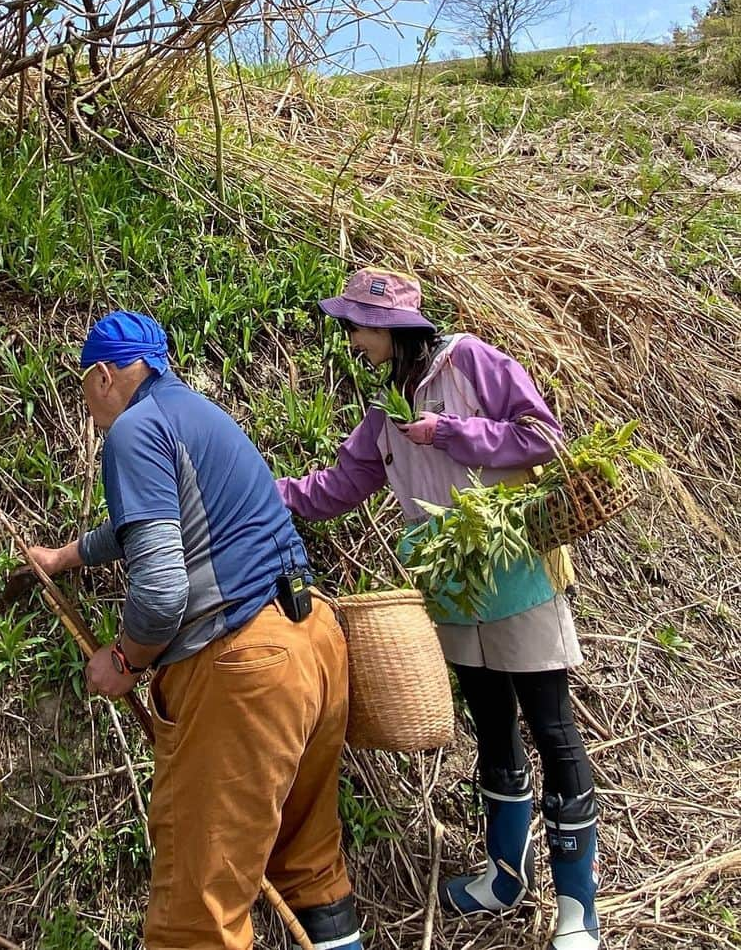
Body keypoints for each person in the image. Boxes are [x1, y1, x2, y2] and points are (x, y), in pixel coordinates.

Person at [276, 269, 600, 950]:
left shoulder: (470, 361)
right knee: (491, 724)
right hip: (453, 582)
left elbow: (543, 436)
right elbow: (334, 488)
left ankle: (578, 913)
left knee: (550, 723)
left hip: (515, 570)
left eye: (357, 327)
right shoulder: (383, 411)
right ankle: (504, 876)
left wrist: (451, 433)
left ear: (390, 329)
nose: (351, 340)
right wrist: (251, 490)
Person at [30, 311, 365, 950]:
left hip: (244, 669)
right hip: (314, 641)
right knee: (310, 864)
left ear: (102, 376)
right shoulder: (197, 415)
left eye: (83, 387)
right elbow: (160, 523)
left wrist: (124, 662)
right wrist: (69, 556)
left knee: (197, 914)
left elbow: (159, 594)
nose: (87, 404)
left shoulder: (132, 431)